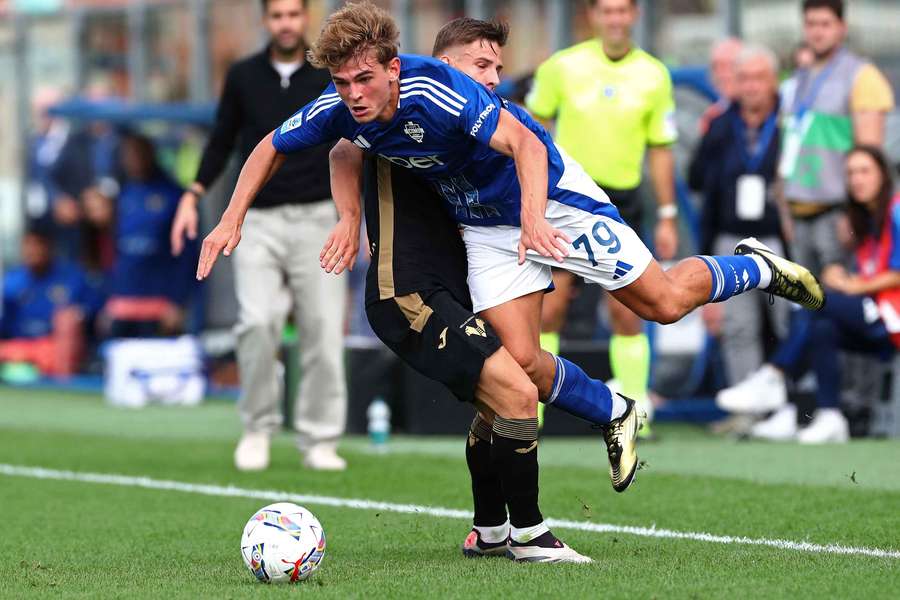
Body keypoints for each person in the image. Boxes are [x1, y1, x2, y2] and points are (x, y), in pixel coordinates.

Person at [196, 0, 823, 509]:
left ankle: (756, 265)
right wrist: (235, 218)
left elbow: (523, 145)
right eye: (343, 82)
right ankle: (614, 411)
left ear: (394, 67)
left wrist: (531, 219)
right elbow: (287, 145)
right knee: (519, 361)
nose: (354, 94)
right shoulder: (346, 103)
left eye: (365, 79)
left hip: (552, 203)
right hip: (486, 227)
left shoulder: (438, 92)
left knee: (662, 302)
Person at [170, 0, 348, 472]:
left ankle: (319, 438)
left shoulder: (331, 76)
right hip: (257, 221)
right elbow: (223, 139)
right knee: (257, 322)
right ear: (265, 21)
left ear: (305, 17)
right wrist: (194, 193)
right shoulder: (244, 75)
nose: (286, 23)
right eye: (277, 15)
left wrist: (357, 218)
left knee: (324, 329)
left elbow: (355, 146)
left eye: (293, 14)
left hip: (318, 219)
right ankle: (257, 428)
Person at [525, 0, 679, 435]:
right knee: (549, 311)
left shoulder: (654, 74)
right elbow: (529, 132)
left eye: (622, 11)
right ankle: (530, 412)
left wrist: (667, 214)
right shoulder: (562, 67)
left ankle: (637, 415)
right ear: (592, 16)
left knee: (628, 313)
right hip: (569, 201)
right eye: (606, 11)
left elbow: (661, 148)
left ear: (634, 16)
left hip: (624, 204)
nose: (614, 19)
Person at [718, 146, 900, 443]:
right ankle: (829, 416)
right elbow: (870, 273)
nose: (857, 179)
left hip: (892, 318)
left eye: (865, 171)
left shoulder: (896, 209)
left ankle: (775, 378)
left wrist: (854, 286)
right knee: (821, 326)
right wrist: (844, 278)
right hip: (875, 313)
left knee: (814, 303)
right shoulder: (864, 219)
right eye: (851, 172)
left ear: (883, 175)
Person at [689, 44, 789, 390]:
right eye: (744, 78)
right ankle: (746, 406)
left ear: (773, 81)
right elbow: (697, 180)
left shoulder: (789, 122)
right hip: (732, 237)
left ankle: (792, 404)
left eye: (759, 78)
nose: (751, 86)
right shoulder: (720, 124)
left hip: (780, 236)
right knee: (738, 327)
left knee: (788, 320)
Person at [779, 0, 894, 279]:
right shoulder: (798, 79)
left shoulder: (861, 76)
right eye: (811, 24)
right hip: (797, 212)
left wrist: (851, 214)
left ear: (842, 28)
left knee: (836, 305)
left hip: (836, 214)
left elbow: (869, 159)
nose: (817, 32)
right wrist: (784, 207)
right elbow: (788, 148)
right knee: (804, 308)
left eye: (825, 24)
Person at [101, 133, 198, 338]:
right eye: (128, 154)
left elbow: (188, 254)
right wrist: (108, 299)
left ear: (150, 154)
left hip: (159, 305)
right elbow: (113, 253)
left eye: (138, 153)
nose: (133, 159)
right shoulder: (123, 194)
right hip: (124, 305)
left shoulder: (174, 196)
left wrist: (177, 301)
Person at [0, 226, 94, 377]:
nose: (32, 250)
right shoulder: (12, 280)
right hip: (18, 346)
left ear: (50, 247)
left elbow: (90, 310)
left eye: (37, 244)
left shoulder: (71, 277)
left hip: (53, 348)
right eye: (27, 245)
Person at [698, 37, 744, 136]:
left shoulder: (770, 112)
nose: (722, 74)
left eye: (730, 65)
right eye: (716, 66)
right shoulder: (713, 117)